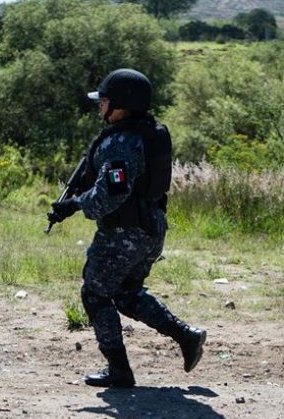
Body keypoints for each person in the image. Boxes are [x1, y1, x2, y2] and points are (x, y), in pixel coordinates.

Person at [47, 68, 206, 388]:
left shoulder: (120, 141)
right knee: (125, 294)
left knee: (94, 294)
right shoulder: (145, 133)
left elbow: (113, 193)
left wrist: (76, 205)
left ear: (121, 104)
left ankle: (119, 370)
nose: (99, 107)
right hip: (150, 229)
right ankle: (186, 337)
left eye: (103, 101)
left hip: (123, 234)